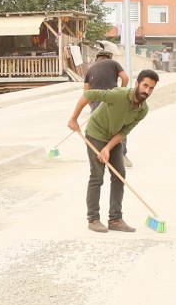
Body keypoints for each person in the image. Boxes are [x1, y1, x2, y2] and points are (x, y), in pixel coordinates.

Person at [67, 68, 159, 233]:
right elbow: (88, 95)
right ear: (137, 84)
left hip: (113, 138)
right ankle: (93, 219)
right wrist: (73, 119)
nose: (147, 91)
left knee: (119, 176)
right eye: (145, 86)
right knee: (97, 176)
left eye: (151, 88)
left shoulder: (143, 110)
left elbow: (123, 132)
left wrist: (108, 148)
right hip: (95, 133)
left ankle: (115, 219)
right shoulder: (118, 95)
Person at [82, 51, 131, 168]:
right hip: (112, 97)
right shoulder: (113, 63)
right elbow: (125, 78)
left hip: (95, 99)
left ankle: (99, 154)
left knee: (97, 128)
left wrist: (92, 105)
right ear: (109, 58)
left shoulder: (89, 69)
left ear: (96, 59)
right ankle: (121, 156)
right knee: (119, 125)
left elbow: (86, 93)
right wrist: (120, 93)